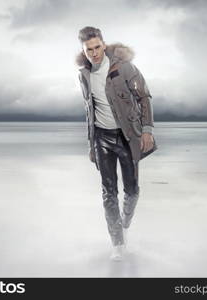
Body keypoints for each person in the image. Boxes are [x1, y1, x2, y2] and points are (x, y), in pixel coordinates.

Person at [76, 26, 157, 261]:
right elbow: (89, 110)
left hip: (127, 136)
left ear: (104, 44)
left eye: (97, 47)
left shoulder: (124, 67)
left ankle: (125, 222)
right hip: (101, 138)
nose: (94, 53)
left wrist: (147, 130)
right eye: (88, 50)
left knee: (131, 190)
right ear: (84, 50)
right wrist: (91, 144)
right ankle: (117, 243)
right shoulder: (83, 74)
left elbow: (144, 96)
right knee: (108, 192)